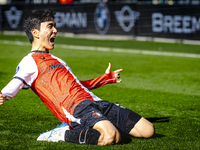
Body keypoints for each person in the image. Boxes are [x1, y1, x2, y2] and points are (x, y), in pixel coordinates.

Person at [0, 8, 154, 145]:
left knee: (148, 130)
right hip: (77, 109)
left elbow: (76, 85)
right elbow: (16, 82)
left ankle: (100, 125)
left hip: (95, 101)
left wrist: (105, 78)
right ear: (35, 33)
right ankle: (62, 134)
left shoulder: (57, 60)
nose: (55, 30)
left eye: (54, 26)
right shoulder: (29, 61)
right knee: (110, 136)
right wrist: (3, 94)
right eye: (50, 26)